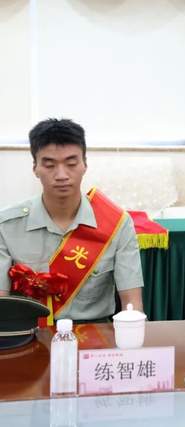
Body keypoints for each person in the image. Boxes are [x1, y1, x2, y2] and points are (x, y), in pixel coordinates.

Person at [0, 118, 144, 321]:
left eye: (71, 163)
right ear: (35, 168)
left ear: (85, 164)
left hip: (95, 333)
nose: (61, 175)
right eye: (49, 165)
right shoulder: (7, 225)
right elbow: (2, 304)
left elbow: (132, 303)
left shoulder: (118, 224)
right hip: (31, 331)